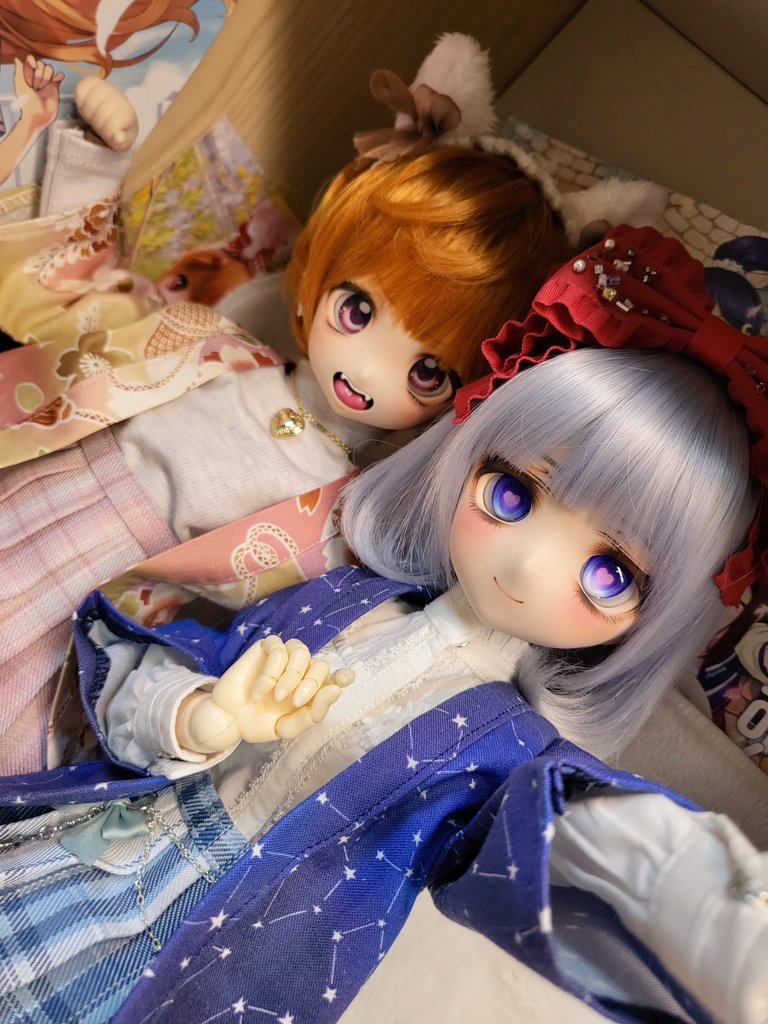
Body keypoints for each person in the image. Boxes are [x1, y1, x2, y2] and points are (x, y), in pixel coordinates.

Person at [2, 225, 765, 1024]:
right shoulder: (343, 591)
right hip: (85, 857)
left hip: (215, 968)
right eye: (512, 493)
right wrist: (200, 714)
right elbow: (163, 657)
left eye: (610, 573)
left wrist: (704, 910)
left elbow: (556, 842)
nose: (525, 567)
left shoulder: (512, 750)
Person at [1, 34, 579, 772]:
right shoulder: (209, 342)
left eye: (429, 371)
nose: (367, 369)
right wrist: (95, 157)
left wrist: (199, 715)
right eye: (358, 309)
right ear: (324, 266)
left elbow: (209, 642)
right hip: (25, 480)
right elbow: (78, 305)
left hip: (83, 616)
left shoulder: (336, 522)